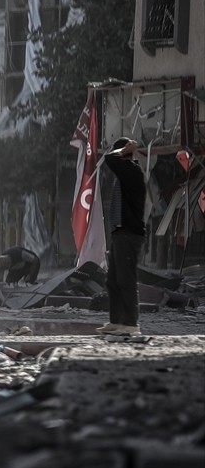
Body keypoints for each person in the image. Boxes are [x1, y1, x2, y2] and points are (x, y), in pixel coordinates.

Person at [98, 136, 148, 336]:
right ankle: (117, 321)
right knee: (113, 280)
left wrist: (126, 149)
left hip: (129, 233)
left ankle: (130, 323)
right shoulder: (125, 175)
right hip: (120, 233)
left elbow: (109, 160)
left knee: (126, 279)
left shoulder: (132, 172)